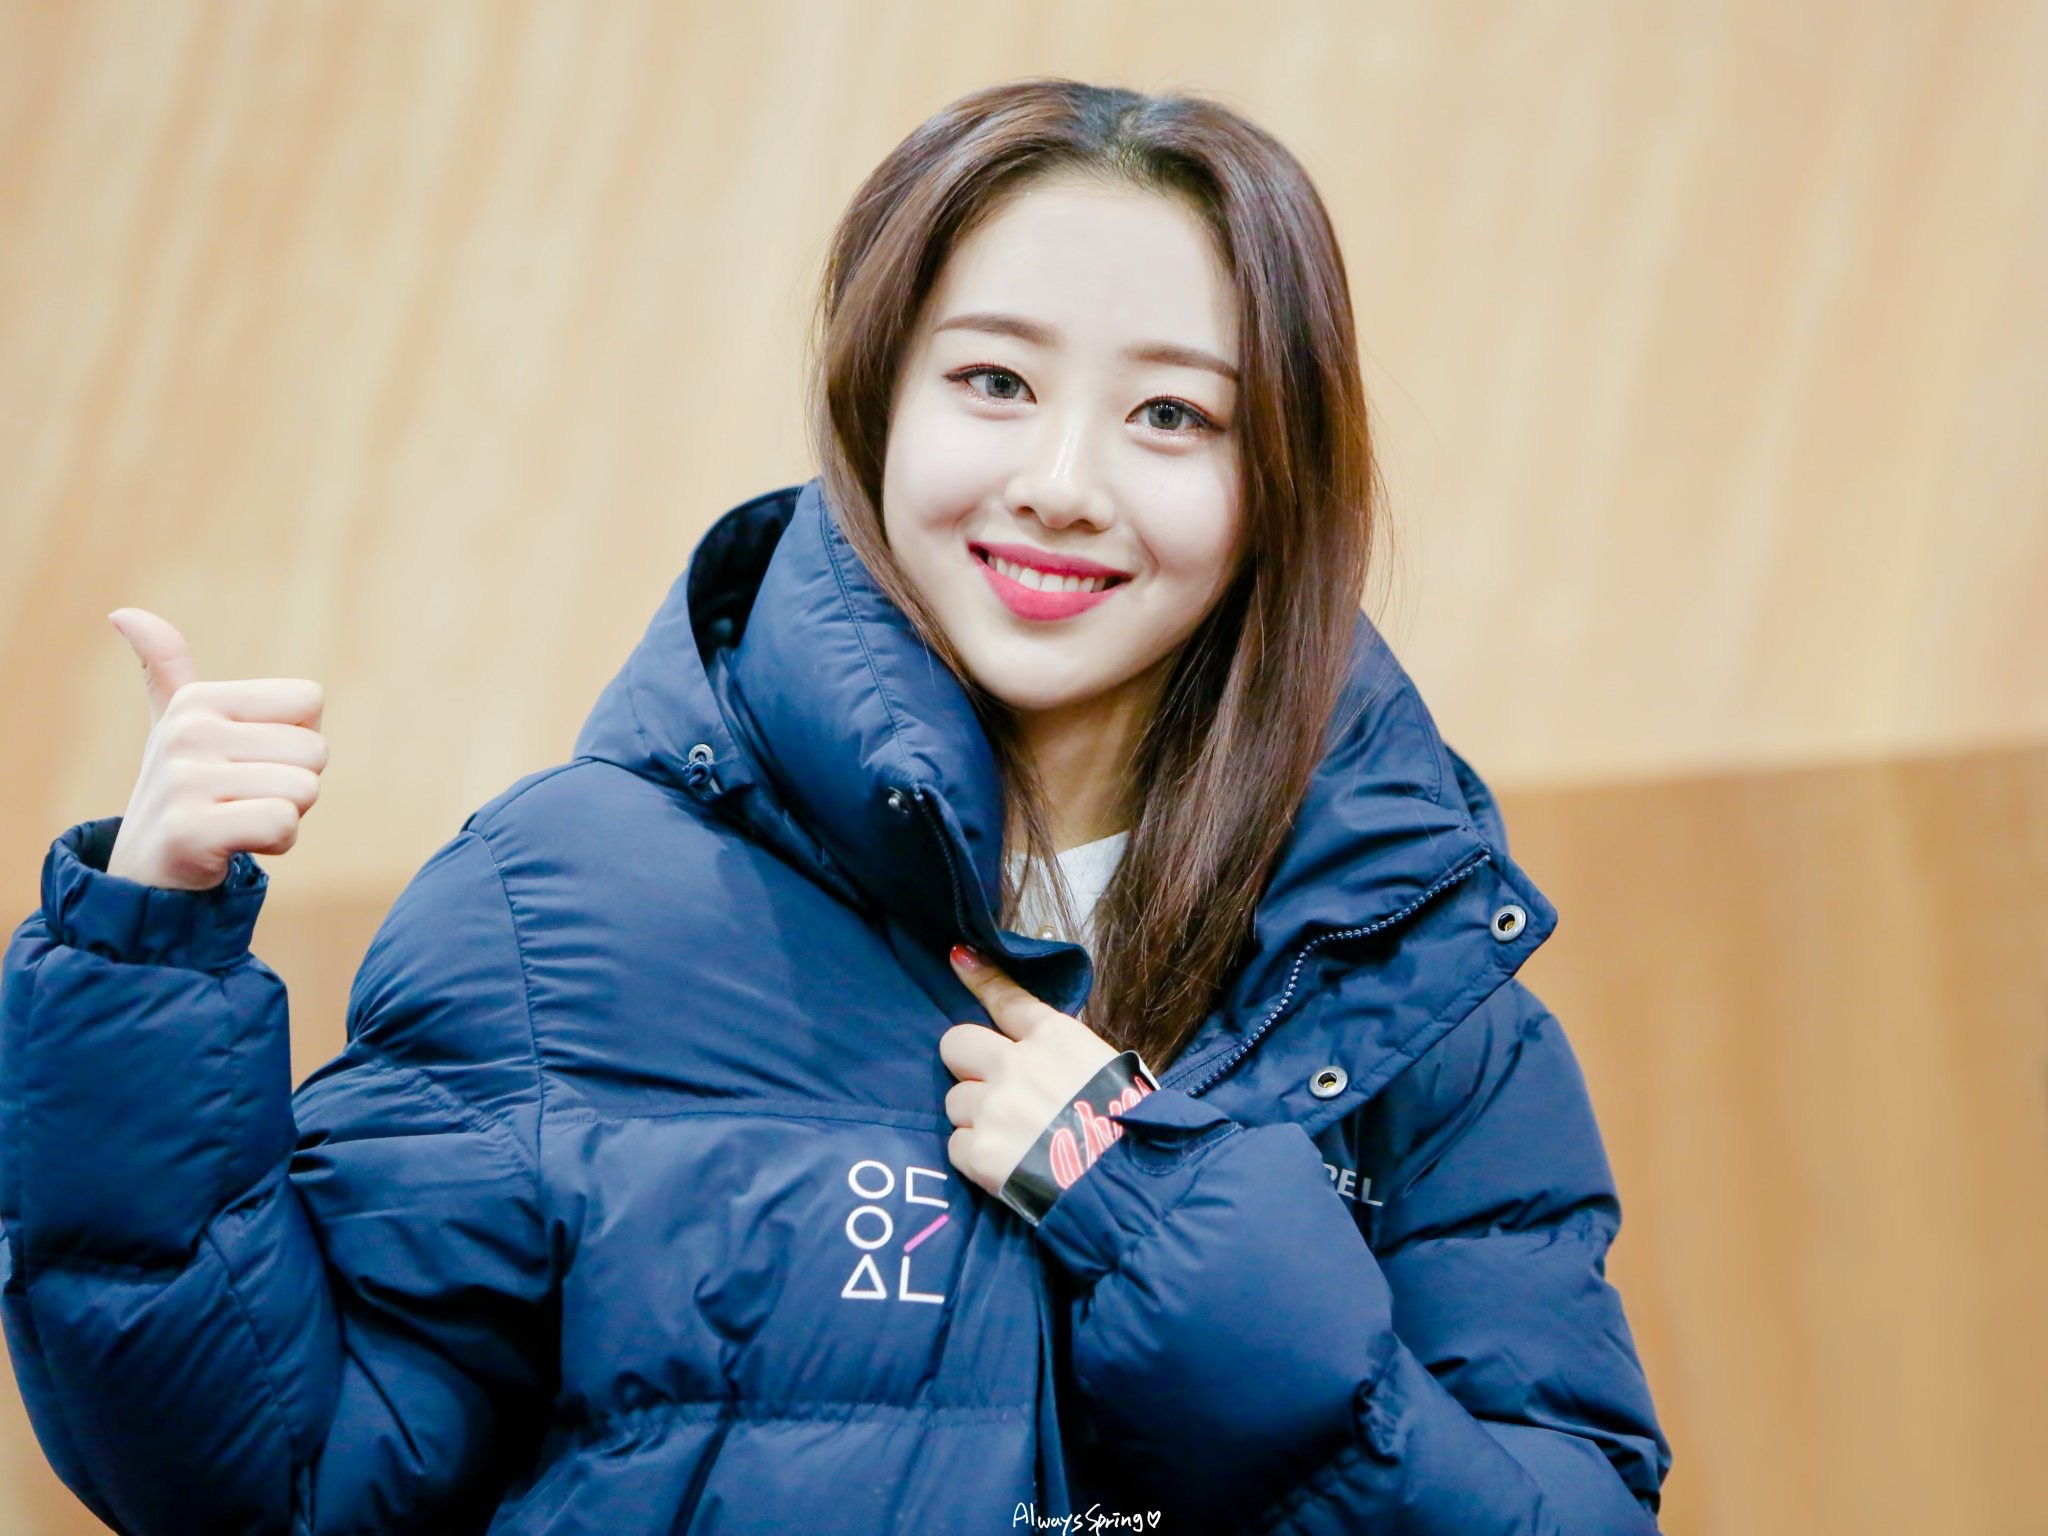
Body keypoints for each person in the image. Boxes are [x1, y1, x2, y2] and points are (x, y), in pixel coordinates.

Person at [0, 77, 1671, 1534]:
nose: (1061, 484)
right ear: (877, 404)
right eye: (995, 382)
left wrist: (1161, 1220)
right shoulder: (564, 904)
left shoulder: (1410, 993)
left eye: (1172, 415)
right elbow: (280, 1480)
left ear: (1274, 484)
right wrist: (145, 961)